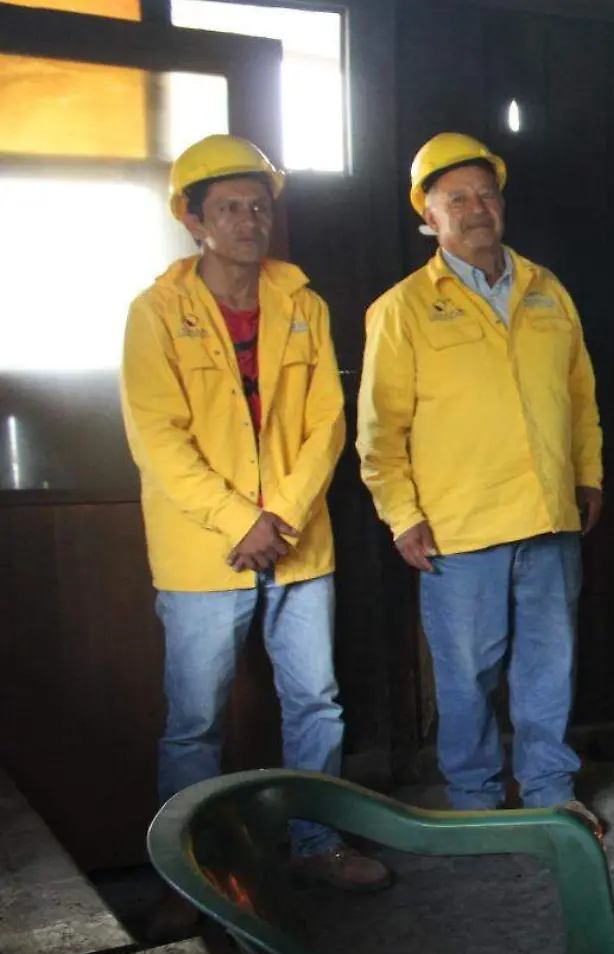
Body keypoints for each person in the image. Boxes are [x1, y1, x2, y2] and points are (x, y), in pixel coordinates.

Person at [122, 134, 389, 901]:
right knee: (195, 724)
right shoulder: (157, 314)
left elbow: (327, 422)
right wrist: (241, 520)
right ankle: (195, 875)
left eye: (259, 206)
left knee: (316, 702)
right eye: (229, 208)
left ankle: (316, 844)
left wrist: (285, 514)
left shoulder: (301, 302)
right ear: (193, 220)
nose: (248, 220)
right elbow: (157, 437)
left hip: (299, 547)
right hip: (206, 552)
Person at [358, 133, 605, 831]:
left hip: (550, 518)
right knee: (467, 676)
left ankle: (552, 794)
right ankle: (474, 804)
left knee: (548, 669)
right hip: (458, 528)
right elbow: (379, 432)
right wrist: (402, 516)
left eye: (486, 194)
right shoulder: (402, 309)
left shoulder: (546, 291)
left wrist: (588, 476)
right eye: (456, 199)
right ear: (428, 217)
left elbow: (581, 400)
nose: (476, 209)